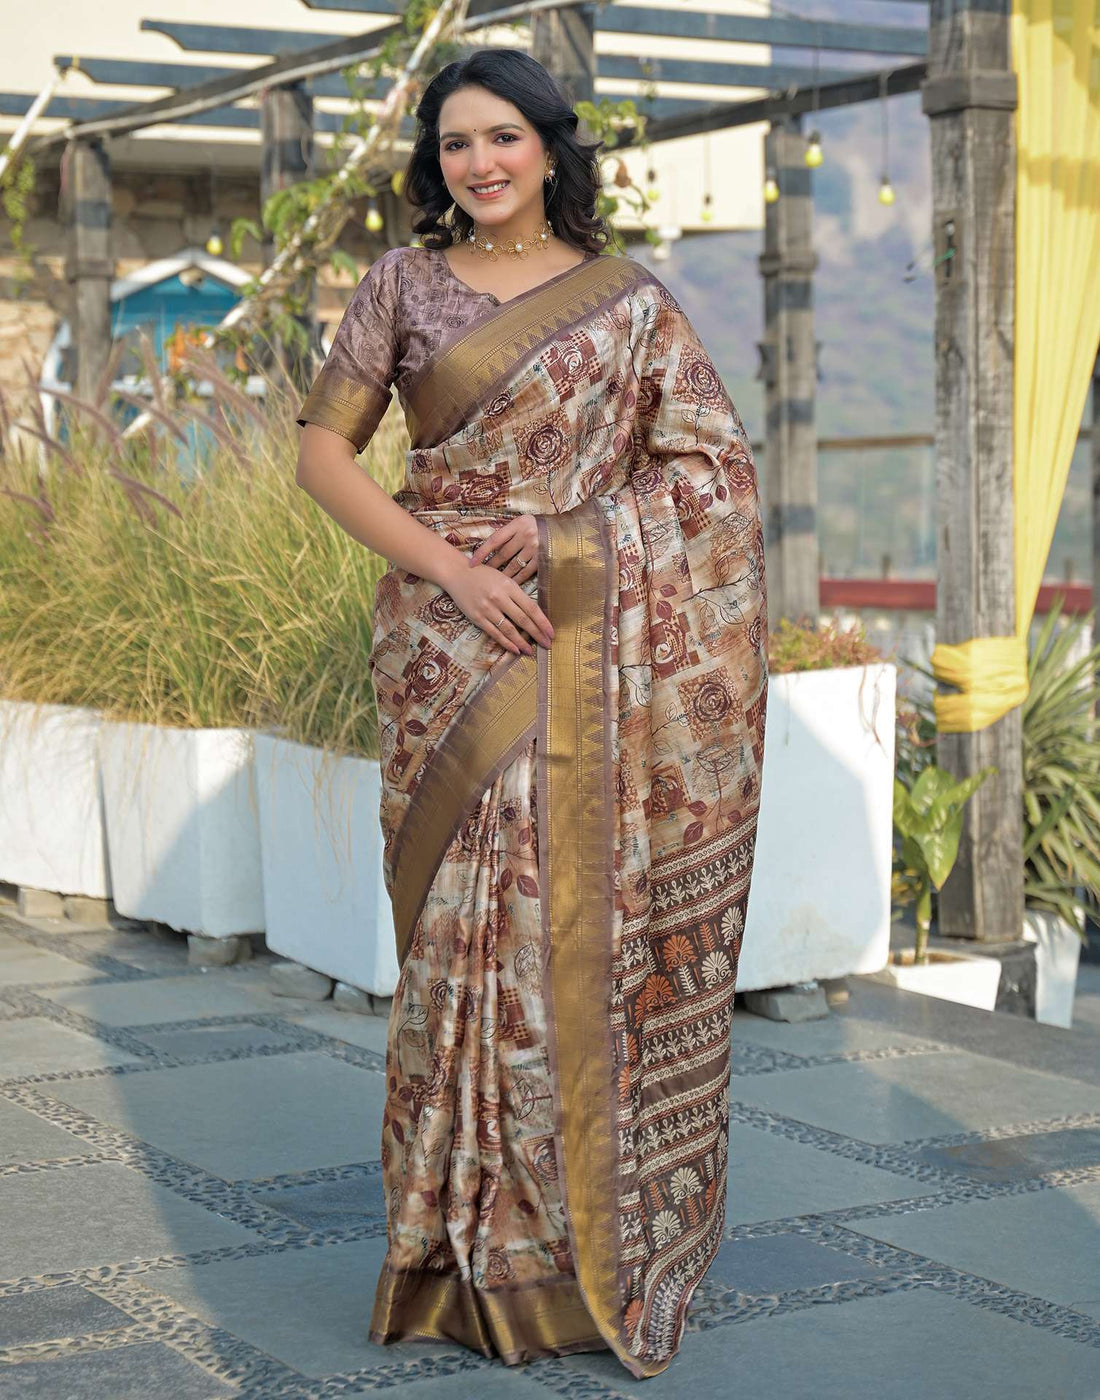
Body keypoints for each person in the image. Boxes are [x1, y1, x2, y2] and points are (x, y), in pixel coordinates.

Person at [294, 46, 768, 1381]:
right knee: (456, 945)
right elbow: (322, 452)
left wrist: (568, 538)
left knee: (558, 929)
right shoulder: (403, 285)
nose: (480, 162)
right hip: (444, 645)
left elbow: (713, 478)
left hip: (576, 643)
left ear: (552, 147)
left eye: (503, 135)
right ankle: (446, 1255)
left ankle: (558, 1259)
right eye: (456, 142)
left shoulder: (630, 304)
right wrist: (448, 568)